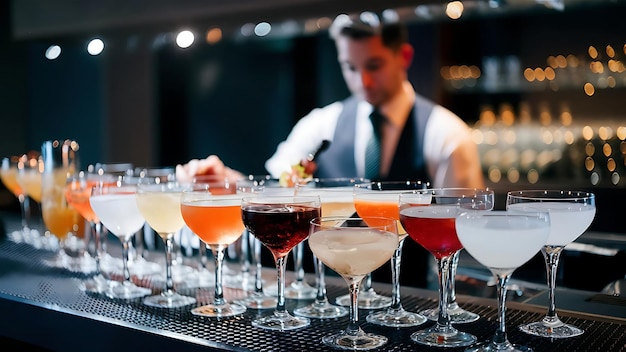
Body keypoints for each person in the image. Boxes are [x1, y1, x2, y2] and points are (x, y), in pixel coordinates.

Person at [176, 13, 485, 287]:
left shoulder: (446, 133)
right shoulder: (321, 124)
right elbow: (277, 193)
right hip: (329, 296)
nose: (361, 81)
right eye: (349, 67)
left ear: (403, 56)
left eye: (373, 66)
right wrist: (228, 182)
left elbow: (461, 231)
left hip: (410, 298)